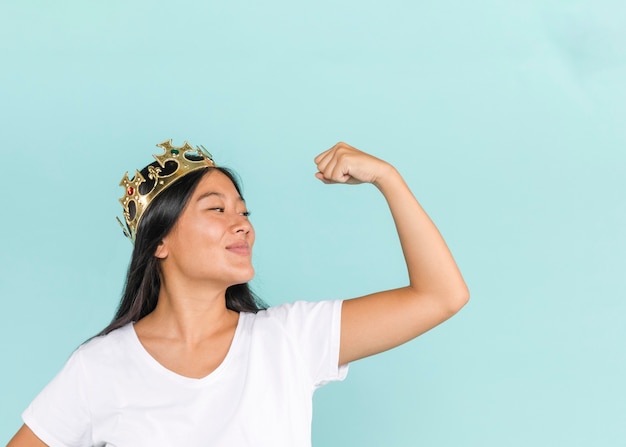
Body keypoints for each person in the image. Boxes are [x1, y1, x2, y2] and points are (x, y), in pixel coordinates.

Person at [8, 140, 469, 447]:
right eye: (217, 209)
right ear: (160, 242)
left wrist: (387, 177)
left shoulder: (288, 340)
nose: (242, 223)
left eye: (244, 212)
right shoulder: (101, 367)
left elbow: (441, 295)